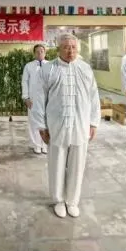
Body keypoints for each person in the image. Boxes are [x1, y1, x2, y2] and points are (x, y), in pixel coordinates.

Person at [33, 33, 99, 219]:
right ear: (58, 49)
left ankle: (72, 201)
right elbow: (39, 99)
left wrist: (93, 122)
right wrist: (41, 126)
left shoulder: (85, 69)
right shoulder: (48, 70)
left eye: (73, 47)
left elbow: (94, 97)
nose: (70, 51)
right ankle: (58, 200)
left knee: (78, 165)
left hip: (80, 124)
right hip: (56, 125)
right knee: (57, 163)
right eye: (66, 47)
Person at [21, 44, 48, 154]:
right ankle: (36, 145)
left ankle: (45, 145)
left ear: (45, 53)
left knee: (47, 123)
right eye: (37, 51)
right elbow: (24, 82)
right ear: (34, 53)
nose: (40, 53)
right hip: (33, 99)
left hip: (47, 99)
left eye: (42, 51)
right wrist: (26, 97)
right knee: (34, 122)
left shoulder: (50, 65)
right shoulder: (29, 66)